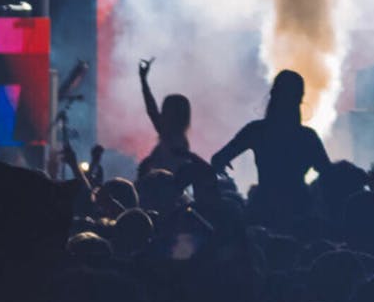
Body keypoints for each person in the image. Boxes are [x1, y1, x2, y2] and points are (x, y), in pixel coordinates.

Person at [211, 70, 330, 225]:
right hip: (299, 209)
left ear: (273, 95)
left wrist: (222, 170)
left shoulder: (256, 130)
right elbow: (328, 173)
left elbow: (218, 159)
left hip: (264, 208)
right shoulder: (308, 137)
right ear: (300, 99)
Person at [137, 58, 194, 177]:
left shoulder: (172, 139)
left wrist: (143, 80)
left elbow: (152, 110)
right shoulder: (174, 138)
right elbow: (152, 111)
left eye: (165, 111)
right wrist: (143, 80)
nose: (161, 114)